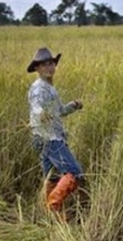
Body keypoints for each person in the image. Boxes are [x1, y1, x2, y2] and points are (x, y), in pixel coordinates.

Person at [27, 47, 84, 213]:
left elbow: (59, 111)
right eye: (44, 65)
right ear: (37, 68)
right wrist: (41, 114)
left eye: (51, 63)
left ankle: (51, 215)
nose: (49, 67)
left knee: (51, 175)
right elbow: (36, 107)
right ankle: (53, 205)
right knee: (74, 172)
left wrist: (73, 106)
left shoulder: (49, 87)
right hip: (49, 138)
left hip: (46, 136)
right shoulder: (39, 88)